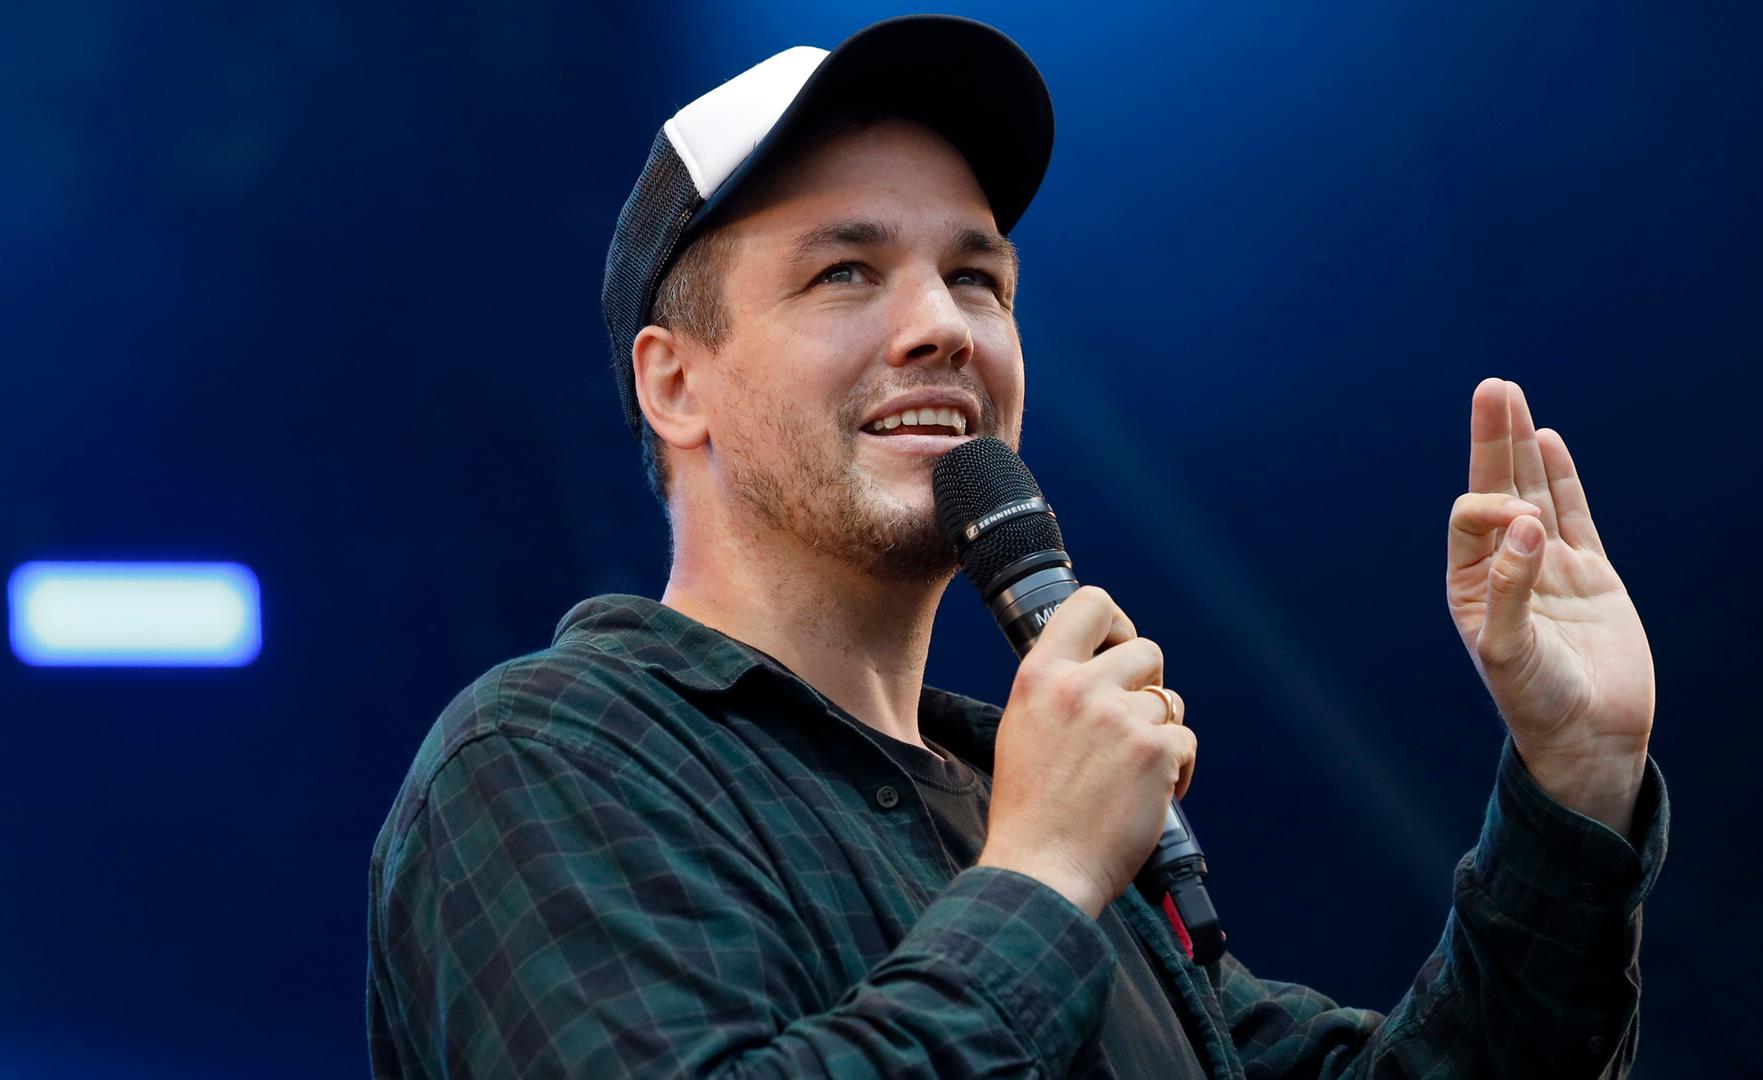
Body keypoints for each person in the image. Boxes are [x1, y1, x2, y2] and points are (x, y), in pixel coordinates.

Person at [367, 15, 1667, 1078]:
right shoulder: (548, 763)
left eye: (978, 277)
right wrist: (1043, 877)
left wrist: (1572, 781)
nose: (942, 325)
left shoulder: (1020, 794)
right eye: (845, 273)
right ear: (675, 384)